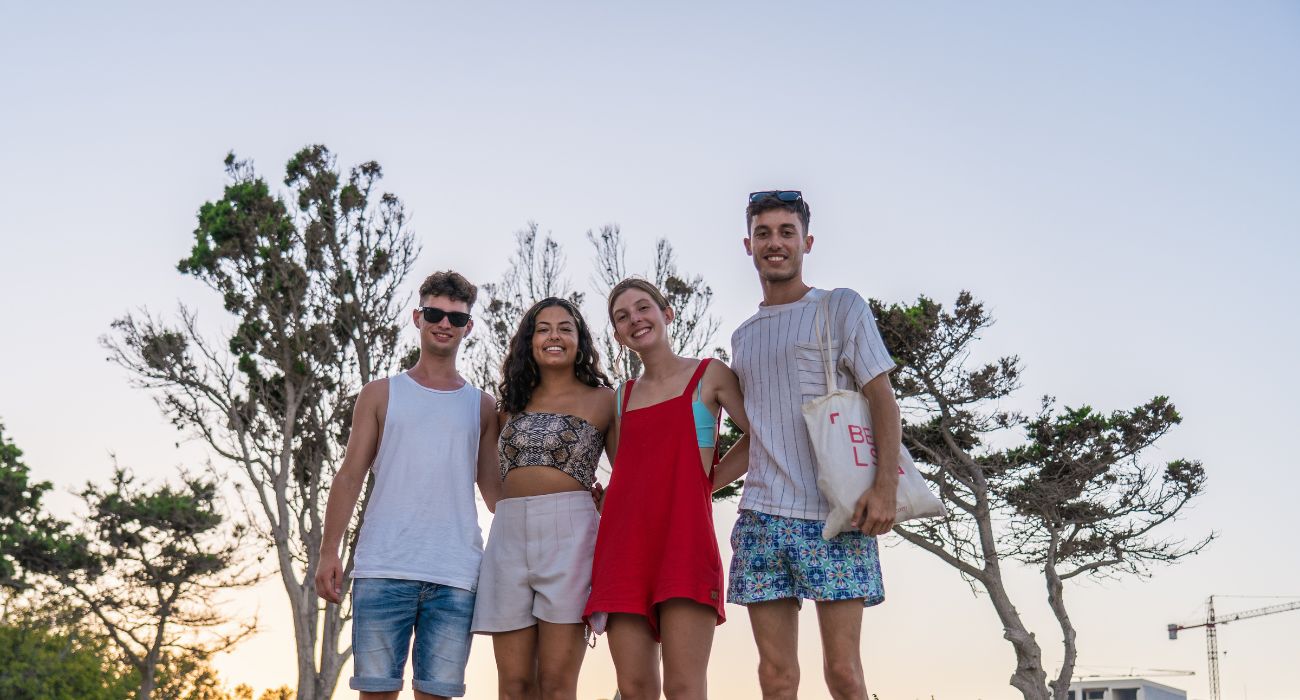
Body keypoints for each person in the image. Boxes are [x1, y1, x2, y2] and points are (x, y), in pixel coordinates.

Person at [727, 191, 902, 700]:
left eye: (786, 232)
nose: (774, 243)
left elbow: (883, 402)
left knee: (844, 676)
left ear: (807, 241)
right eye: (764, 233)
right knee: (776, 678)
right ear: (748, 244)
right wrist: (696, 486)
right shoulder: (743, 337)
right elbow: (756, 433)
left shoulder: (839, 306)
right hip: (761, 516)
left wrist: (884, 491)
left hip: (836, 515)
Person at [315, 270, 501, 700]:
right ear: (418, 317)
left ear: (468, 327)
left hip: (455, 574)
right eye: (435, 313)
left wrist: (566, 496)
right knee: (376, 695)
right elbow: (349, 476)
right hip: (384, 567)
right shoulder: (380, 394)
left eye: (456, 318)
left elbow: (495, 495)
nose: (444, 324)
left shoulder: (483, 406)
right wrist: (329, 551)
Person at [583, 278, 753, 700]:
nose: (635, 320)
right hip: (623, 555)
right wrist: (610, 501)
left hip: (685, 547)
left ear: (667, 314)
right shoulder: (620, 398)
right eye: (622, 317)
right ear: (619, 335)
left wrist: (706, 481)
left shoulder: (708, 374)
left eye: (643, 308)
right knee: (634, 688)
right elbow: (633, 473)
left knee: (683, 688)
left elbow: (759, 438)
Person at [472, 297, 616, 700]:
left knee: (555, 685)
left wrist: (604, 505)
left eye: (565, 328)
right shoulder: (508, 407)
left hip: (571, 535)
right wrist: (509, 513)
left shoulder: (604, 400)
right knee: (514, 686)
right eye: (543, 328)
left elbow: (625, 470)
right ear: (529, 341)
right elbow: (488, 477)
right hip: (509, 534)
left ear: (580, 340)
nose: (554, 336)